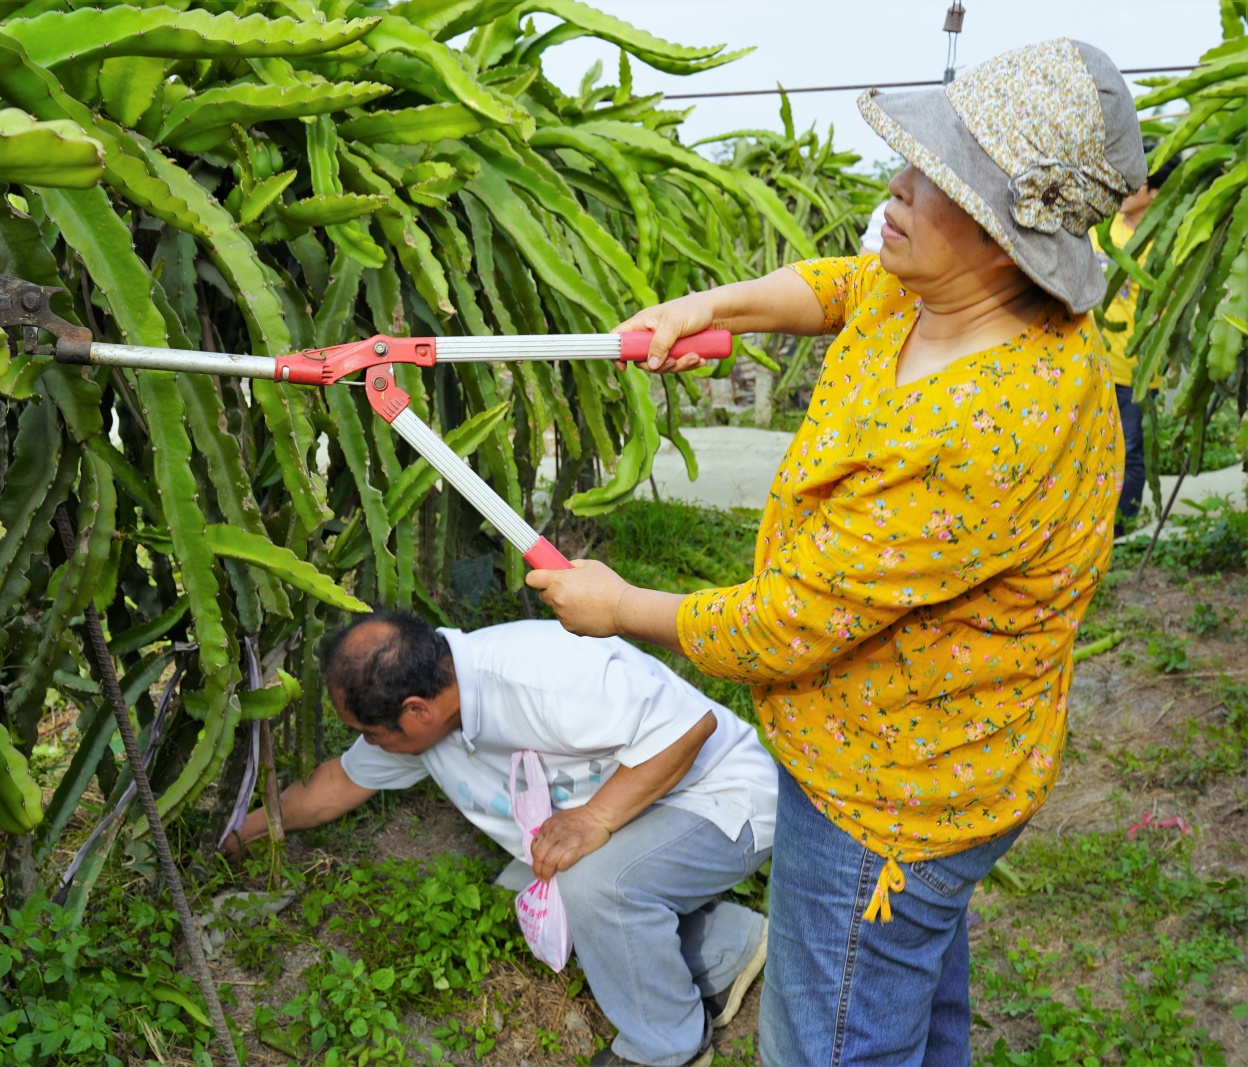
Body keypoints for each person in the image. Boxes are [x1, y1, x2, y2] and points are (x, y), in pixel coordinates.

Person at [527, 39, 1141, 1067]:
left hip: (888, 794)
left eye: (936, 177)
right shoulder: (932, 288)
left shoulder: (991, 426)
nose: (895, 185)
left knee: (833, 1037)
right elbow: (835, 287)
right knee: (897, 988)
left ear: (1008, 234)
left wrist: (621, 603)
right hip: (900, 750)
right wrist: (710, 306)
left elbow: (783, 623)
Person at [226, 611, 777, 1067]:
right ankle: (729, 948)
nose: (366, 744)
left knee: (592, 886)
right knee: (534, 893)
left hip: (722, 798)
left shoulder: (544, 673)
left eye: (369, 732)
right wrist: (240, 834)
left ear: (416, 713)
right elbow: (333, 785)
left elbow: (690, 727)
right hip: (648, 806)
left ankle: (669, 1049)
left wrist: (595, 818)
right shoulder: (432, 703)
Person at [1092, 145, 1181, 532]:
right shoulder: (1100, 229)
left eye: (1135, 181)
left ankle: (1122, 529)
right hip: (1093, 364)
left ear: (1155, 193)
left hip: (1139, 370)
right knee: (1094, 450)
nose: (1123, 186)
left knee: (1130, 451)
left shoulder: (1168, 243)